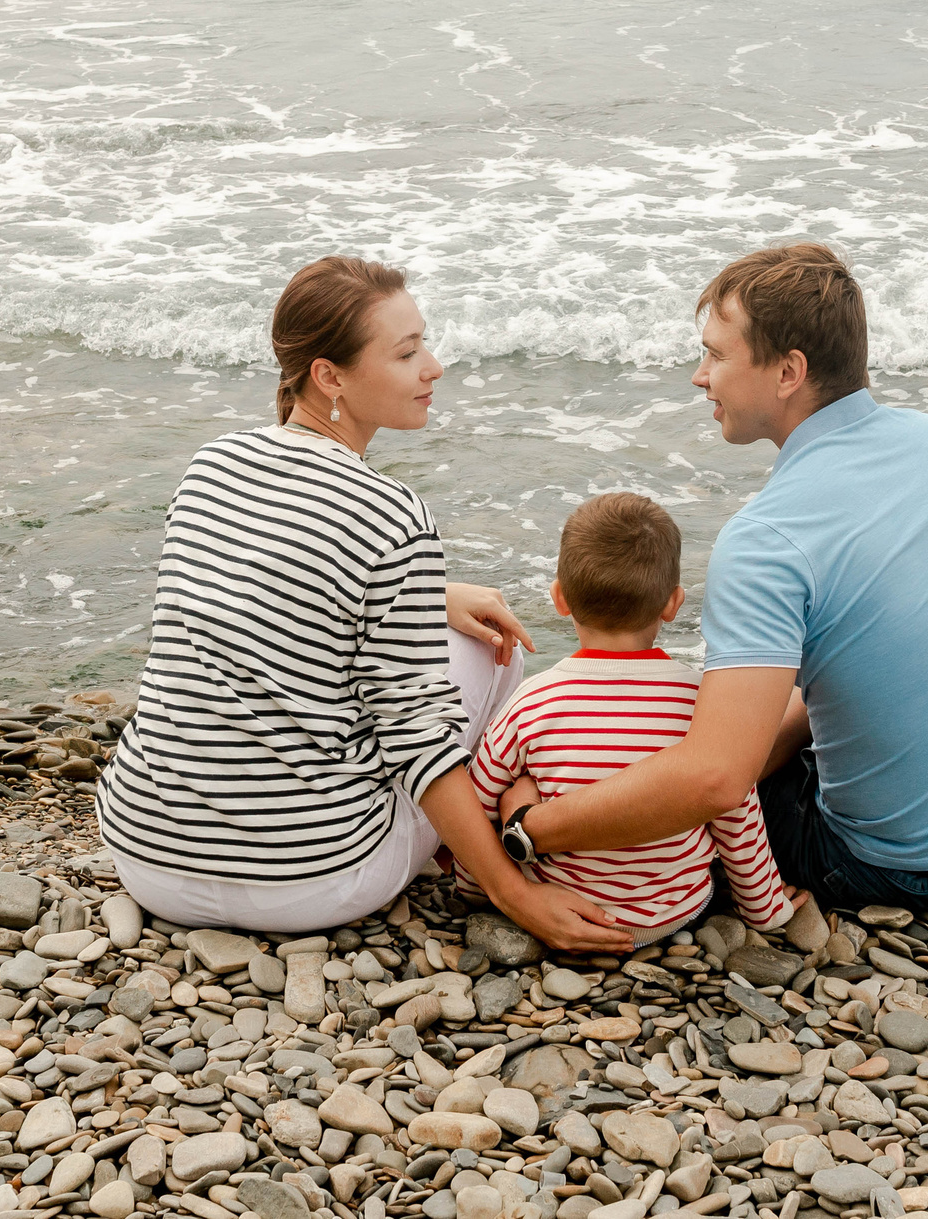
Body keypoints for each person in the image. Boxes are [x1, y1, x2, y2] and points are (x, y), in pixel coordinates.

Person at [508, 243, 928, 914]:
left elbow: (717, 779)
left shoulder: (767, 536)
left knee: (700, 787)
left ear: (788, 372)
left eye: (717, 355)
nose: (699, 376)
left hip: (892, 866)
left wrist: (530, 829)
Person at [94, 255, 629, 949]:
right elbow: (415, 733)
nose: (433, 367)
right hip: (310, 879)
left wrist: (430, 593)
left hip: (148, 855)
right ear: (329, 375)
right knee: (491, 647)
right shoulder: (393, 515)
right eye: (407, 353)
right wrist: (514, 894)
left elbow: (256, 596)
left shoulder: (211, 466)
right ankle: (499, 840)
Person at [467, 492, 797, 946]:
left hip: (562, 908)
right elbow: (735, 809)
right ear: (673, 603)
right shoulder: (702, 701)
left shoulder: (532, 701)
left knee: (514, 781)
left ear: (560, 598)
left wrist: (478, 889)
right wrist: (765, 907)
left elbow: (479, 801)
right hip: (675, 911)